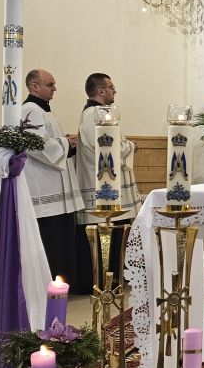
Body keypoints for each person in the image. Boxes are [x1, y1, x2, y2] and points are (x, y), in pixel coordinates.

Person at [74, 73, 138, 293]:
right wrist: (131, 146)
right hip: (100, 188)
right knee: (105, 232)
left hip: (106, 185)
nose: (114, 91)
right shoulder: (94, 114)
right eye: (111, 87)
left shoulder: (99, 113)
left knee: (115, 231)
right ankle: (102, 281)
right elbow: (108, 148)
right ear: (101, 90)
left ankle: (112, 278)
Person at [21, 69, 79, 285]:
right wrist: (66, 143)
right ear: (34, 87)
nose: (54, 88)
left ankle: (60, 283)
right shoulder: (29, 110)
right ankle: (47, 284)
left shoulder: (44, 111)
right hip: (44, 188)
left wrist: (63, 141)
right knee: (49, 239)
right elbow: (37, 145)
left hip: (55, 187)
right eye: (50, 84)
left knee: (59, 239)